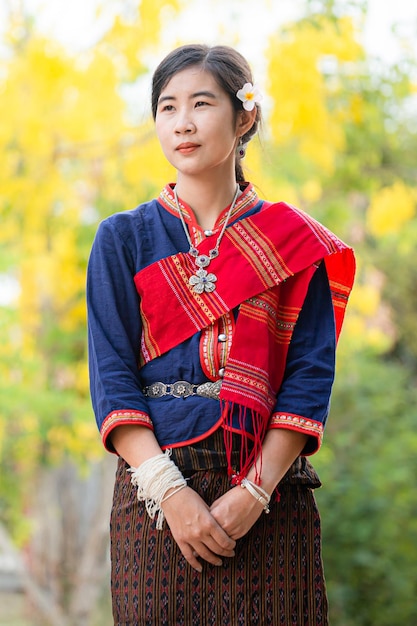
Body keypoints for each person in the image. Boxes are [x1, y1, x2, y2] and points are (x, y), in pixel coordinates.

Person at [87, 43, 355, 626]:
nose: (182, 123)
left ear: (244, 116)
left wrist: (252, 495)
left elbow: (309, 378)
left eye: (201, 103)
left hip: (270, 495)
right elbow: (112, 380)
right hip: (155, 496)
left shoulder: (290, 242)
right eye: (167, 107)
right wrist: (173, 496)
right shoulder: (123, 238)